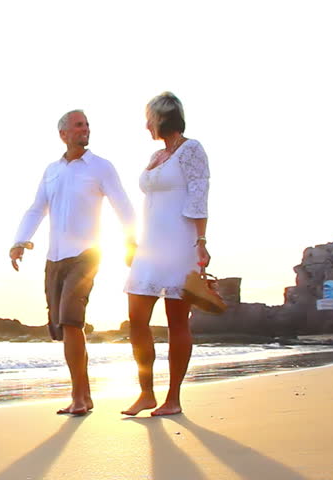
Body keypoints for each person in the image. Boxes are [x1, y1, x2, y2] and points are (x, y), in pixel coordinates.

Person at [10, 109, 137, 415]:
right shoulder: (52, 171)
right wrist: (19, 241)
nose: (85, 129)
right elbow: (36, 208)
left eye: (87, 125)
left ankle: (78, 397)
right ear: (63, 134)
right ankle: (85, 394)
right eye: (79, 125)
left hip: (87, 255)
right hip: (54, 257)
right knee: (61, 327)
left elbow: (122, 204)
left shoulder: (100, 167)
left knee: (70, 320)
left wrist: (131, 241)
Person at [121, 92, 211, 417]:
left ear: (162, 117)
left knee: (177, 322)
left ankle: (173, 398)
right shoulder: (157, 155)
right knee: (136, 318)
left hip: (179, 243)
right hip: (150, 245)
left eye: (149, 118)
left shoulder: (192, 150)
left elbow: (199, 196)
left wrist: (201, 241)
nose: (146, 124)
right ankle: (146, 393)